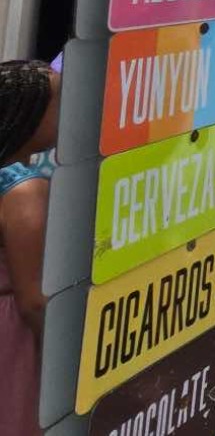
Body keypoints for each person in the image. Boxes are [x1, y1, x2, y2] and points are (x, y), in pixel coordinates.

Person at [0, 61, 60, 436]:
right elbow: (34, 299)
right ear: (31, 114)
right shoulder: (23, 188)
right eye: (58, 104)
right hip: (13, 337)